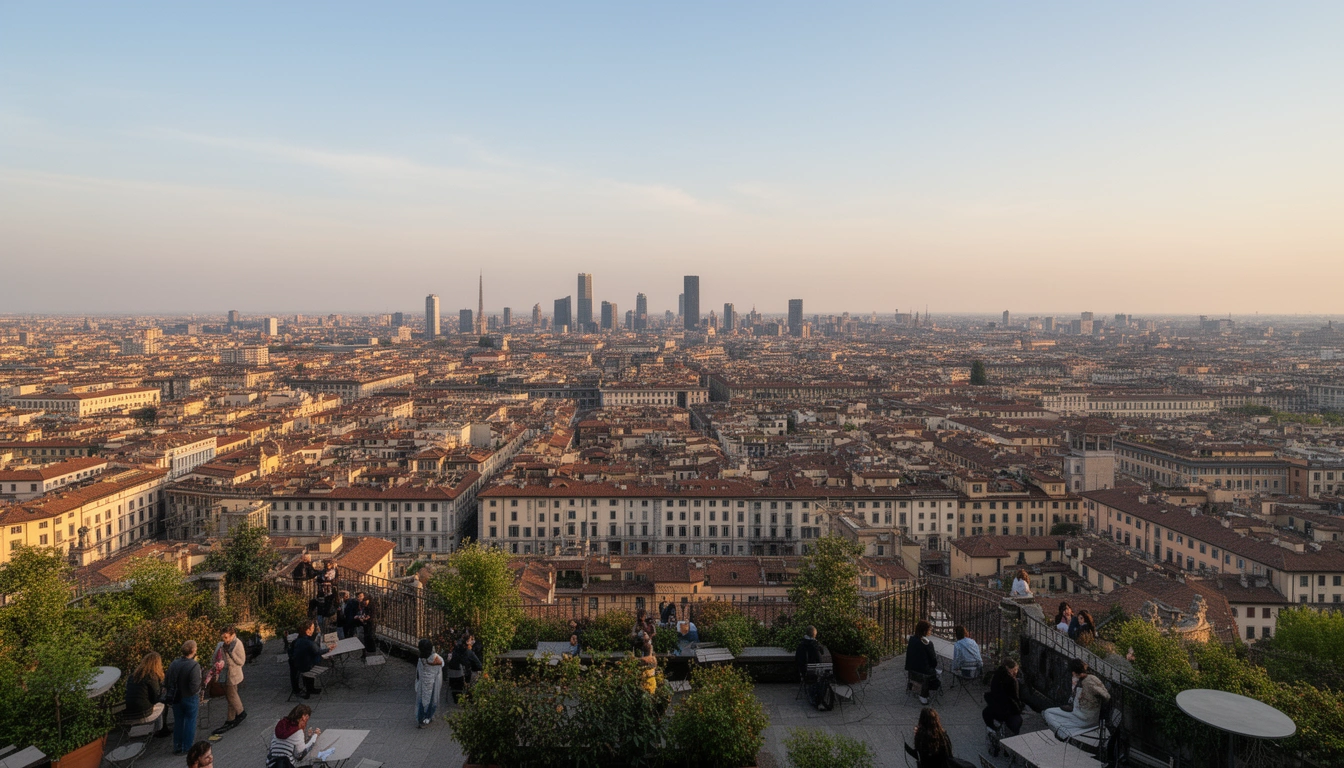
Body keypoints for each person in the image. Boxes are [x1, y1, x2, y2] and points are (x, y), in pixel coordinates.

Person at [1043, 659, 1111, 739]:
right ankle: (1063, 730)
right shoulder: (1083, 679)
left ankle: (1064, 733)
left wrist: (1094, 704)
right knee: (1048, 712)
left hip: (1086, 718)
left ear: (1074, 672)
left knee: (1048, 713)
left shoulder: (1090, 680)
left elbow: (1106, 696)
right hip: (1080, 713)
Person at [165, 640, 202, 756]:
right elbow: (195, 686)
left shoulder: (174, 663)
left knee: (178, 721)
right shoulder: (194, 665)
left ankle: (177, 746)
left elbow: (167, 680)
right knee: (190, 721)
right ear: (193, 650)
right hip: (189, 696)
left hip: (176, 697)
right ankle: (187, 747)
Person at [210, 626, 247, 735]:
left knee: (231, 695)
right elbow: (215, 658)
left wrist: (231, 653)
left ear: (232, 635)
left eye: (226, 637)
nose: (225, 640)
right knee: (230, 697)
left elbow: (241, 661)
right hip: (224, 673)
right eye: (223, 637)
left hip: (233, 675)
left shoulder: (237, 644)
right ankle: (230, 719)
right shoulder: (221, 644)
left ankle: (241, 712)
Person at [288, 620, 333, 699]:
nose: (313, 629)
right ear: (307, 630)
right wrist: (329, 649)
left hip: (297, 665)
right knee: (321, 660)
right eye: (312, 628)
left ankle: (309, 688)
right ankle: (309, 689)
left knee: (311, 660)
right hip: (305, 667)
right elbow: (318, 651)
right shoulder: (308, 642)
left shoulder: (297, 640)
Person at [982, 659, 1026, 737]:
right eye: (1015, 670)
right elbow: (1014, 698)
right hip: (1006, 711)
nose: (1016, 672)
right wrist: (1020, 708)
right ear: (1010, 669)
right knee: (1017, 721)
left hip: (993, 708)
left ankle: (993, 730)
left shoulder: (996, 675)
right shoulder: (1012, 681)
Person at [905, 619, 941, 705]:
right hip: (924, 672)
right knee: (937, 673)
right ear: (925, 631)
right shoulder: (928, 643)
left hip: (912, 670)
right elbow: (933, 661)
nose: (930, 631)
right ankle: (924, 695)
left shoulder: (911, 640)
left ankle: (914, 688)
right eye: (929, 630)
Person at [124, 651, 165, 725]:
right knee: (162, 704)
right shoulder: (151, 677)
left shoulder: (132, 676)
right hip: (142, 712)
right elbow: (156, 698)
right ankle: (160, 728)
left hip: (129, 712)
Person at [794, 625, 829, 709]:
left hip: (805, 673)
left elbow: (797, 659)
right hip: (817, 673)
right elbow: (821, 655)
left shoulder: (801, 645)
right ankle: (820, 699)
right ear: (814, 635)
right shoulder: (816, 646)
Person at [415, 638, 444, 728]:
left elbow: (418, 671)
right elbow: (442, 663)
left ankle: (421, 719)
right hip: (434, 682)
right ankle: (428, 717)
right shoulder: (435, 657)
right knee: (432, 700)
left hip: (423, 682)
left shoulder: (421, 659)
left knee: (423, 701)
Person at [447, 633, 482, 703]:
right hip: (463, 678)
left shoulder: (455, 650)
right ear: (467, 642)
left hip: (453, 678)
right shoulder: (468, 652)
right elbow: (479, 664)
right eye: (471, 640)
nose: (472, 641)